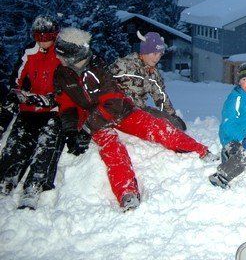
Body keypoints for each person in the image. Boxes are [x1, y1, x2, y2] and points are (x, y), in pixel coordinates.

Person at [53, 27, 214, 212]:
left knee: (156, 127)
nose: (59, 58)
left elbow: (115, 100)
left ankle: (200, 151)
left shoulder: (97, 66)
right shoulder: (62, 74)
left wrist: (88, 128)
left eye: (61, 55)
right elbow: (65, 104)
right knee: (112, 148)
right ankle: (127, 193)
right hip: (93, 117)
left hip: (120, 110)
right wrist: (72, 129)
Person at [0, 16, 76, 210]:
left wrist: (53, 99)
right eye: (38, 36)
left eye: (47, 37)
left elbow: (72, 85)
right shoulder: (29, 52)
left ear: (55, 35)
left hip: (54, 110)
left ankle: (34, 184)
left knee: (47, 142)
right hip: (30, 108)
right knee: (18, 139)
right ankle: (6, 178)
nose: (43, 41)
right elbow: (16, 80)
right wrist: (19, 94)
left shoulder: (62, 54)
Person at [110, 31, 187, 131]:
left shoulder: (153, 73)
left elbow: (160, 94)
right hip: (117, 110)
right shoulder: (124, 65)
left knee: (174, 124)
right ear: (144, 52)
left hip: (139, 111)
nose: (157, 58)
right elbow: (105, 82)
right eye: (154, 53)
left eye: (160, 54)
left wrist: (171, 115)